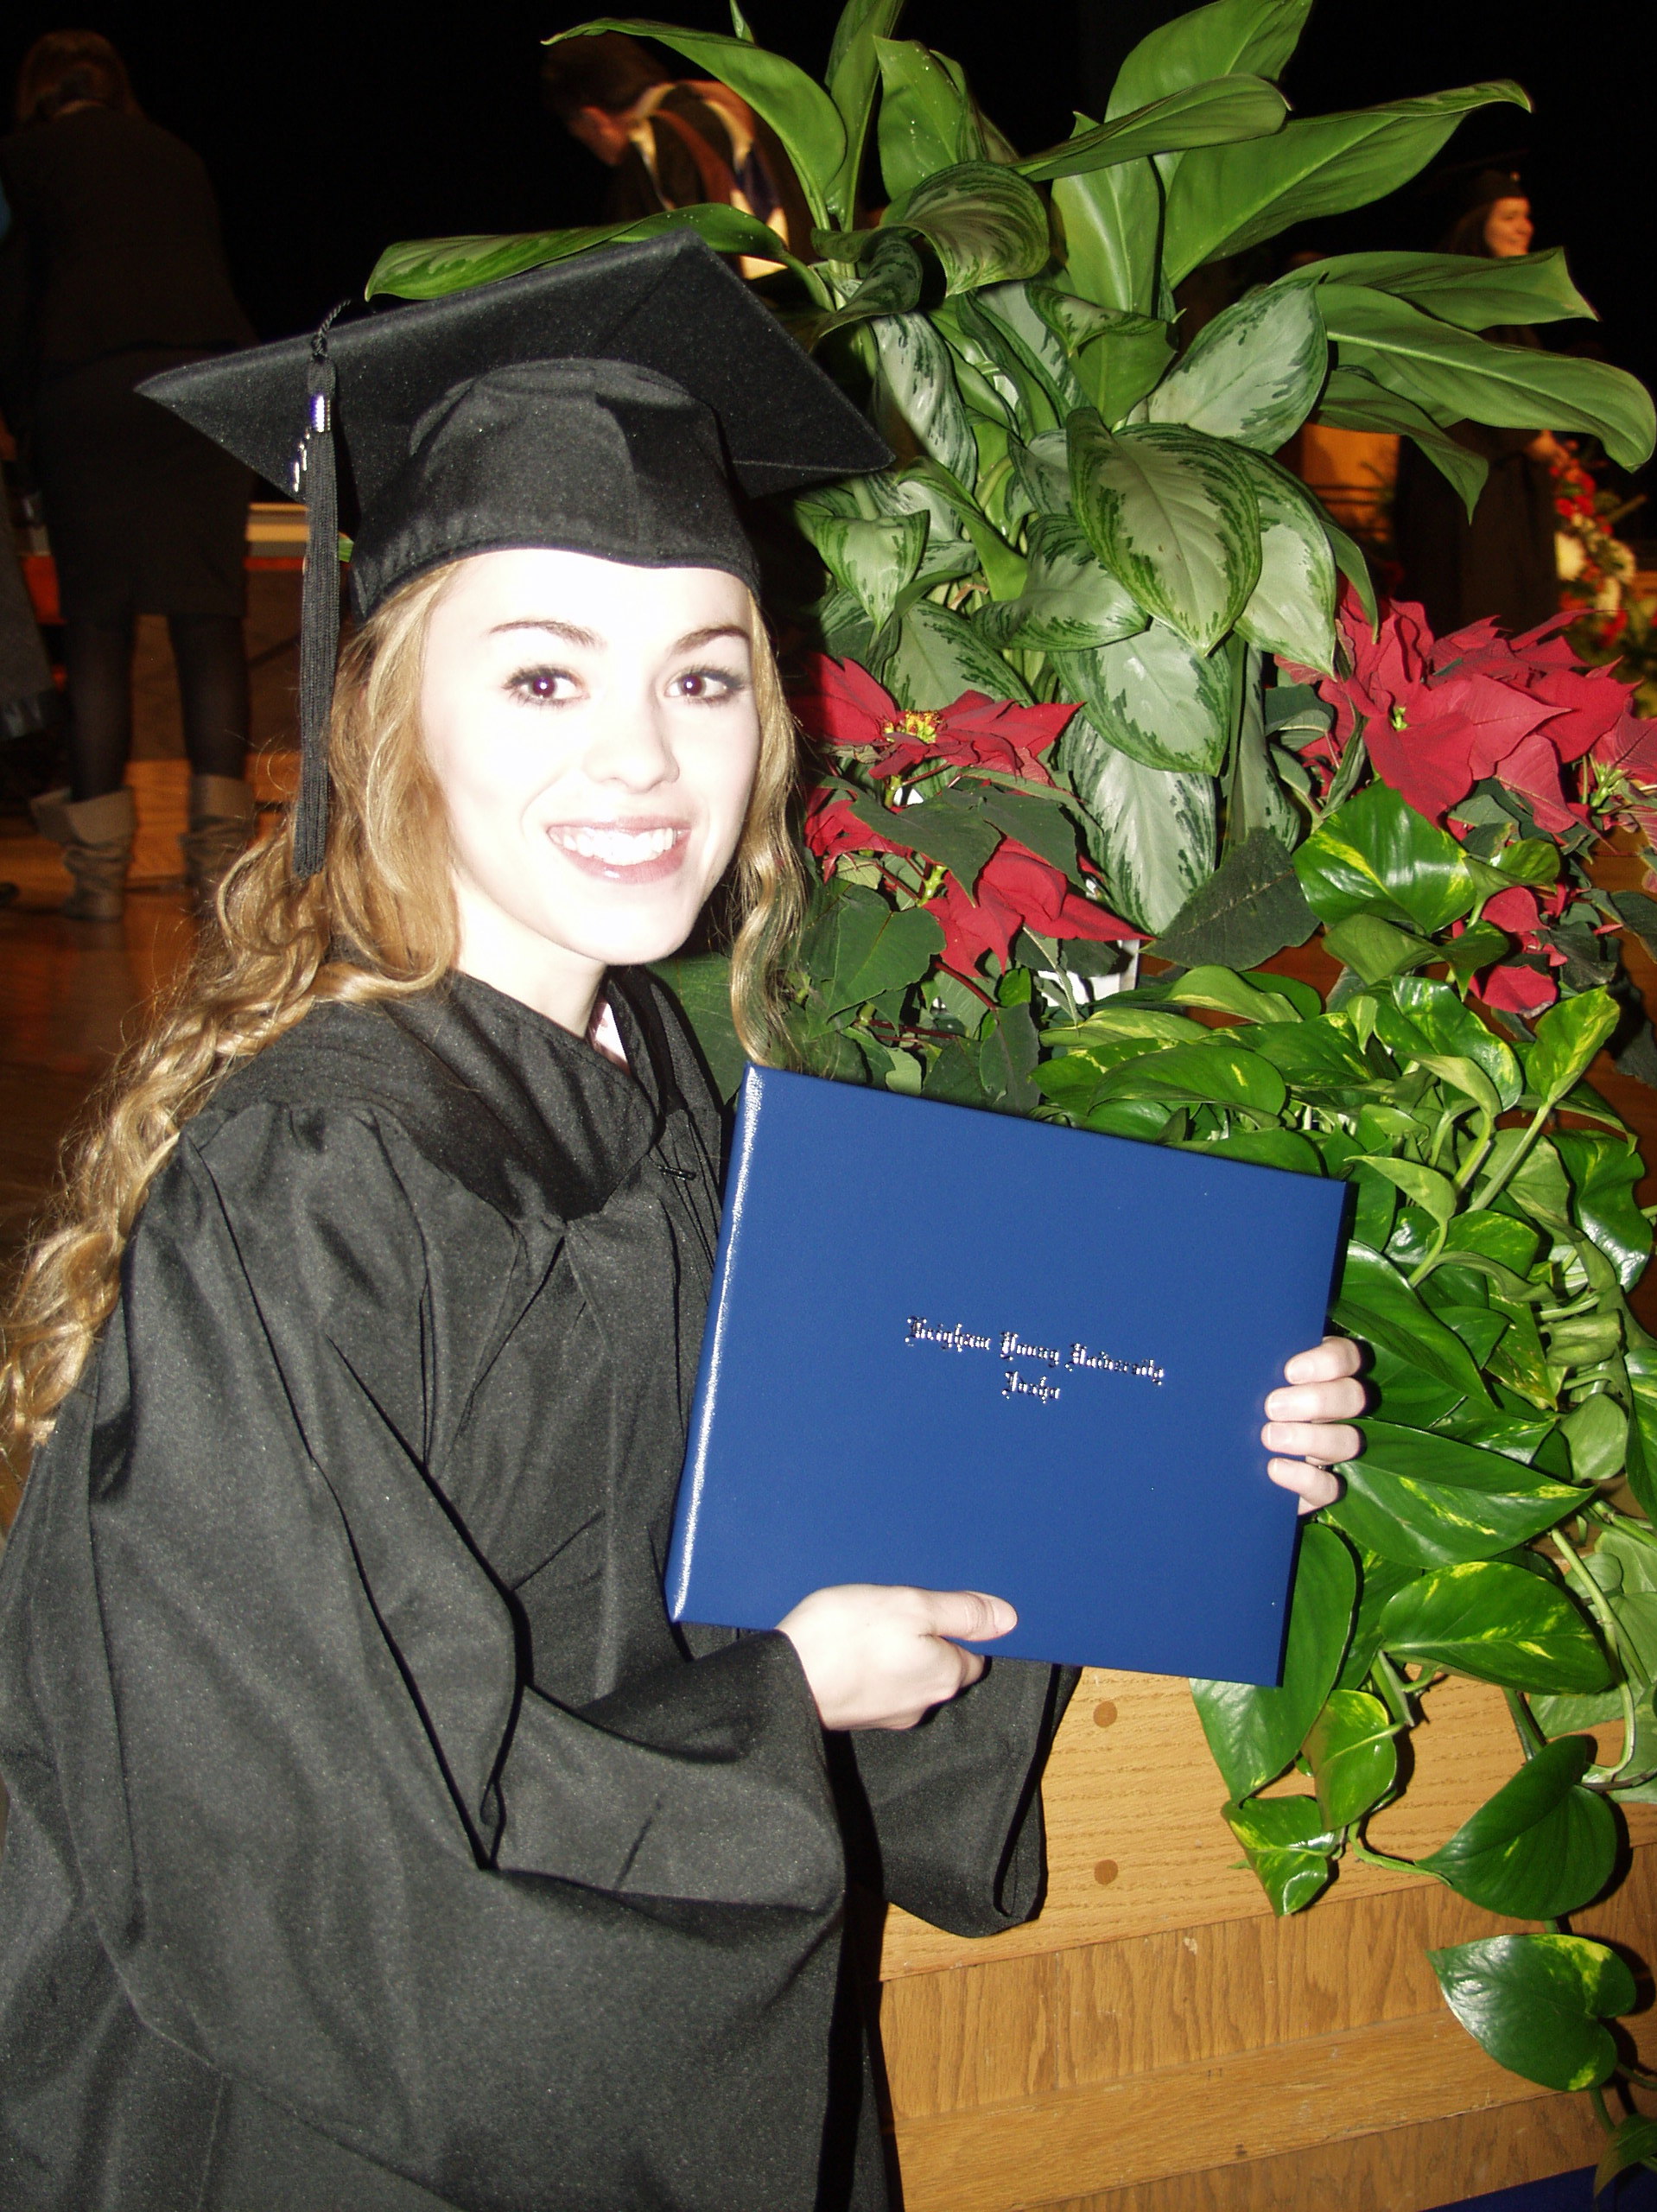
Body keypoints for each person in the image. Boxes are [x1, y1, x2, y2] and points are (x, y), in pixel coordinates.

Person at [0, 234, 1365, 2210]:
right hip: (343, 2118)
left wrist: (1195, 1439)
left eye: (702, 673)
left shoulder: (659, 1087)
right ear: (391, 715)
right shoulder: (315, 1184)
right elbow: (306, 1846)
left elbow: (815, 1520)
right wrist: (783, 1705)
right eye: (544, 671)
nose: (643, 755)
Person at [0, 31, 257, 921]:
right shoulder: (176, 155)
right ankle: (218, 869)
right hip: (203, 387)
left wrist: (23, 428)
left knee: (98, 630)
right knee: (208, 623)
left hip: (88, 385)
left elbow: (17, 301)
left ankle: (98, 879)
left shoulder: (24, 159)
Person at [1391, 169, 1565, 638]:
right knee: (1475, 608)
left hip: (1504, 488)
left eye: (1526, 216)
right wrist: (1528, 437)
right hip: (1464, 491)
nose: (1524, 227)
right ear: (1475, 223)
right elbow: (1463, 377)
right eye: (1509, 216)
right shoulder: (1455, 297)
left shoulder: (1499, 297)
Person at [543, 29, 811, 274]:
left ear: (594, 120)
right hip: (824, 295)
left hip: (757, 306)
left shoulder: (648, 149)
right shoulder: (753, 105)